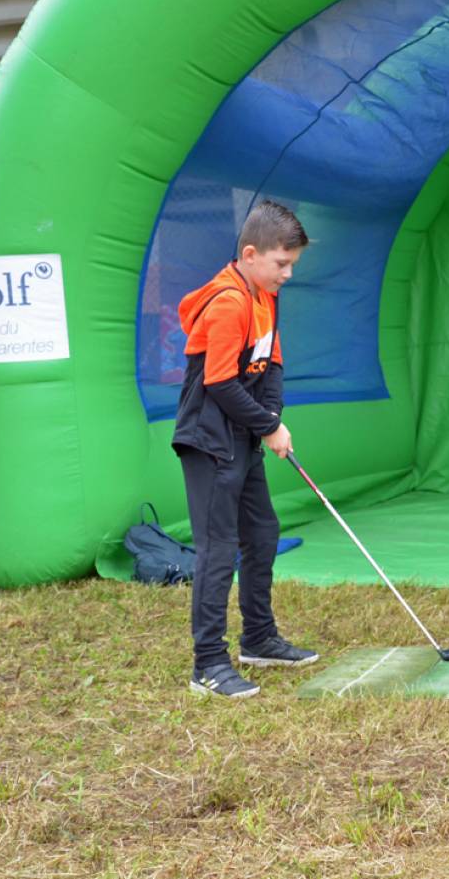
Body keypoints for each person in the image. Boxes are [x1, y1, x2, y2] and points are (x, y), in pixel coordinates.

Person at [173, 200, 318, 700]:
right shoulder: (230, 302)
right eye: (282, 263)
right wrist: (268, 428)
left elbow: (271, 366)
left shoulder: (264, 298)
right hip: (209, 437)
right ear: (251, 254)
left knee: (262, 532)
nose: (289, 273)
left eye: (293, 263)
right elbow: (218, 383)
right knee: (218, 548)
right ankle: (207, 664)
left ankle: (258, 638)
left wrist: (270, 419)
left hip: (242, 434)